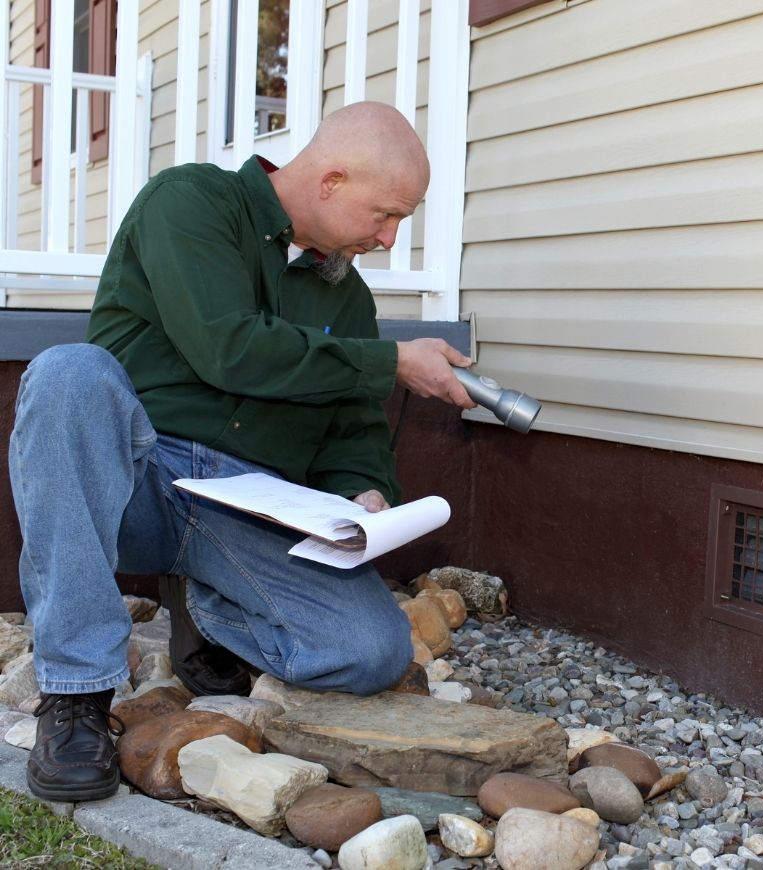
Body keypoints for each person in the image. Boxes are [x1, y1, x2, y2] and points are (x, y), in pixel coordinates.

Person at [7, 101, 474, 802]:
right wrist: (392, 362)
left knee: (370, 650)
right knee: (68, 374)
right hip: (138, 478)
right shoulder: (192, 202)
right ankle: (75, 696)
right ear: (331, 180)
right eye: (385, 214)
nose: (389, 235)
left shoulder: (346, 298)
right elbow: (230, 348)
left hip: (245, 506)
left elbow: (355, 432)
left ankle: (210, 613)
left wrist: (366, 494)